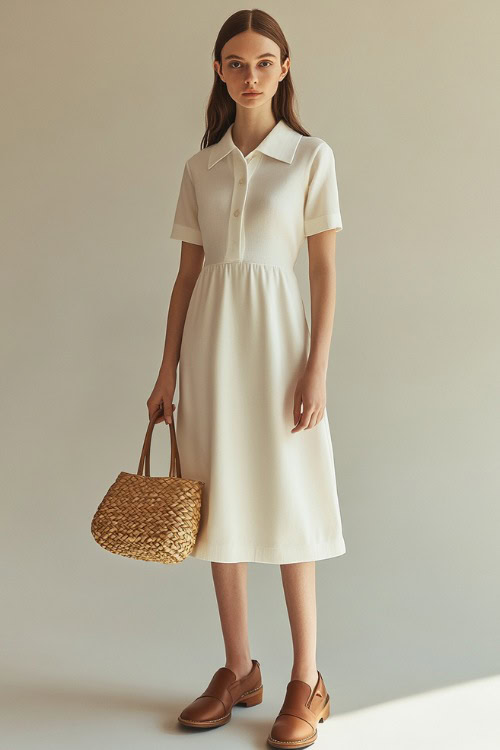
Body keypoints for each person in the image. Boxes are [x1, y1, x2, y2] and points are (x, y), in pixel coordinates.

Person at [147, 9, 345, 748]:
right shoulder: (200, 166)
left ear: (284, 69)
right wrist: (165, 370)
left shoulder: (311, 157)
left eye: (265, 62)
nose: (251, 75)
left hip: (280, 355)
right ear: (218, 70)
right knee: (217, 508)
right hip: (209, 355)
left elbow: (324, 275)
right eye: (237, 62)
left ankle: (306, 681)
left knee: (292, 510)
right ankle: (238, 669)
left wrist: (315, 368)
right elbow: (186, 276)